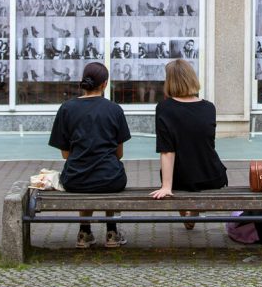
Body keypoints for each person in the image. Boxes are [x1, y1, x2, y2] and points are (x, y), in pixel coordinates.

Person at [48, 61, 132, 248]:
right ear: (104, 84)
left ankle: (84, 232)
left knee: (85, 175)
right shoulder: (114, 109)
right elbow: (119, 154)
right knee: (108, 173)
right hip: (110, 178)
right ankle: (112, 231)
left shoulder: (67, 109)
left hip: (76, 178)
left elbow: (65, 155)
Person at [149, 60, 228, 229]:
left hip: (180, 179)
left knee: (175, 175)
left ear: (170, 82)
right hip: (211, 175)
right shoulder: (209, 107)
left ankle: (186, 207)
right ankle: (192, 209)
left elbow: (167, 150)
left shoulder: (164, 108)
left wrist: (166, 186)